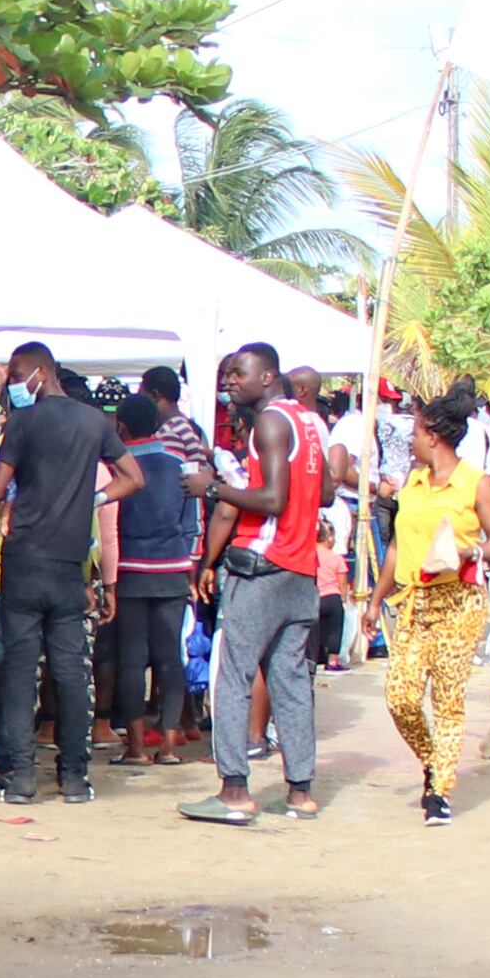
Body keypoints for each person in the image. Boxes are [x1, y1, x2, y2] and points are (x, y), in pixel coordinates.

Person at [0, 341, 119, 806]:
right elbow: (133, 476)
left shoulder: (23, 423)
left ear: (39, 372)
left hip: (23, 562)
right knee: (72, 671)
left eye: (16, 376)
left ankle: (21, 778)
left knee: (18, 673)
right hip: (70, 565)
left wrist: (13, 483)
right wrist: (93, 499)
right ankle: (74, 777)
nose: (14, 384)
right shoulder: (95, 422)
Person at [190, 343, 327, 829]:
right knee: (290, 681)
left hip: (263, 564)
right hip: (301, 568)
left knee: (233, 674)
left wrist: (212, 487)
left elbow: (269, 498)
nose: (229, 381)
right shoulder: (310, 422)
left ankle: (234, 790)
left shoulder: (269, 423)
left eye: (238, 373)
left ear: (268, 376)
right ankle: (301, 792)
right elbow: (326, 490)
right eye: (227, 373)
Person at [383, 388, 490, 825]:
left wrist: (471, 552)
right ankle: (432, 760)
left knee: (447, 699)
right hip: (413, 601)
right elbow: (396, 545)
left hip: (458, 601)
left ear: (435, 436)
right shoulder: (413, 483)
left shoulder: (476, 483)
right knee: (400, 697)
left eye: (417, 431)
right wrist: (375, 600)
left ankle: (439, 789)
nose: (411, 439)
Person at [102, 387, 199, 770]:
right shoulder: (179, 465)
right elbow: (192, 526)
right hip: (173, 569)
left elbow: (108, 525)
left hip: (130, 572)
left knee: (131, 658)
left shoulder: (117, 470)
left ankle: (136, 748)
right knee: (170, 657)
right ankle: (170, 746)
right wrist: (189, 565)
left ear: (122, 427)